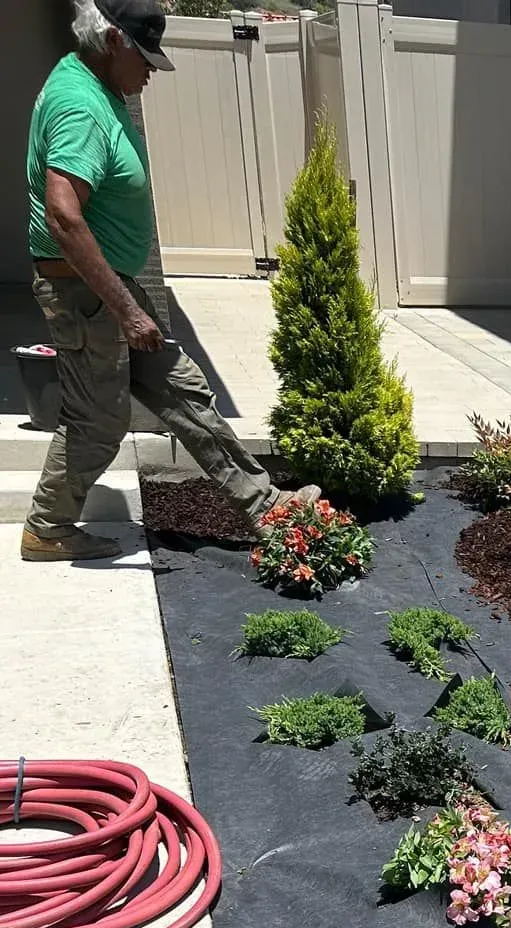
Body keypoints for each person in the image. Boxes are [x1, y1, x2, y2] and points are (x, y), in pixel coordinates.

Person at [23, 0, 316, 562]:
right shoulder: (80, 104)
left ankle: (267, 506)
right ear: (112, 41)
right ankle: (48, 528)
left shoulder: (94, 86)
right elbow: (63, 215)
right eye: (146, 56)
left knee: (184, 391)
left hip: (107, 289)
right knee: (100, 422)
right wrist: (125, 310)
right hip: (87, 296)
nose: (152, 70)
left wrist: (126, 301)